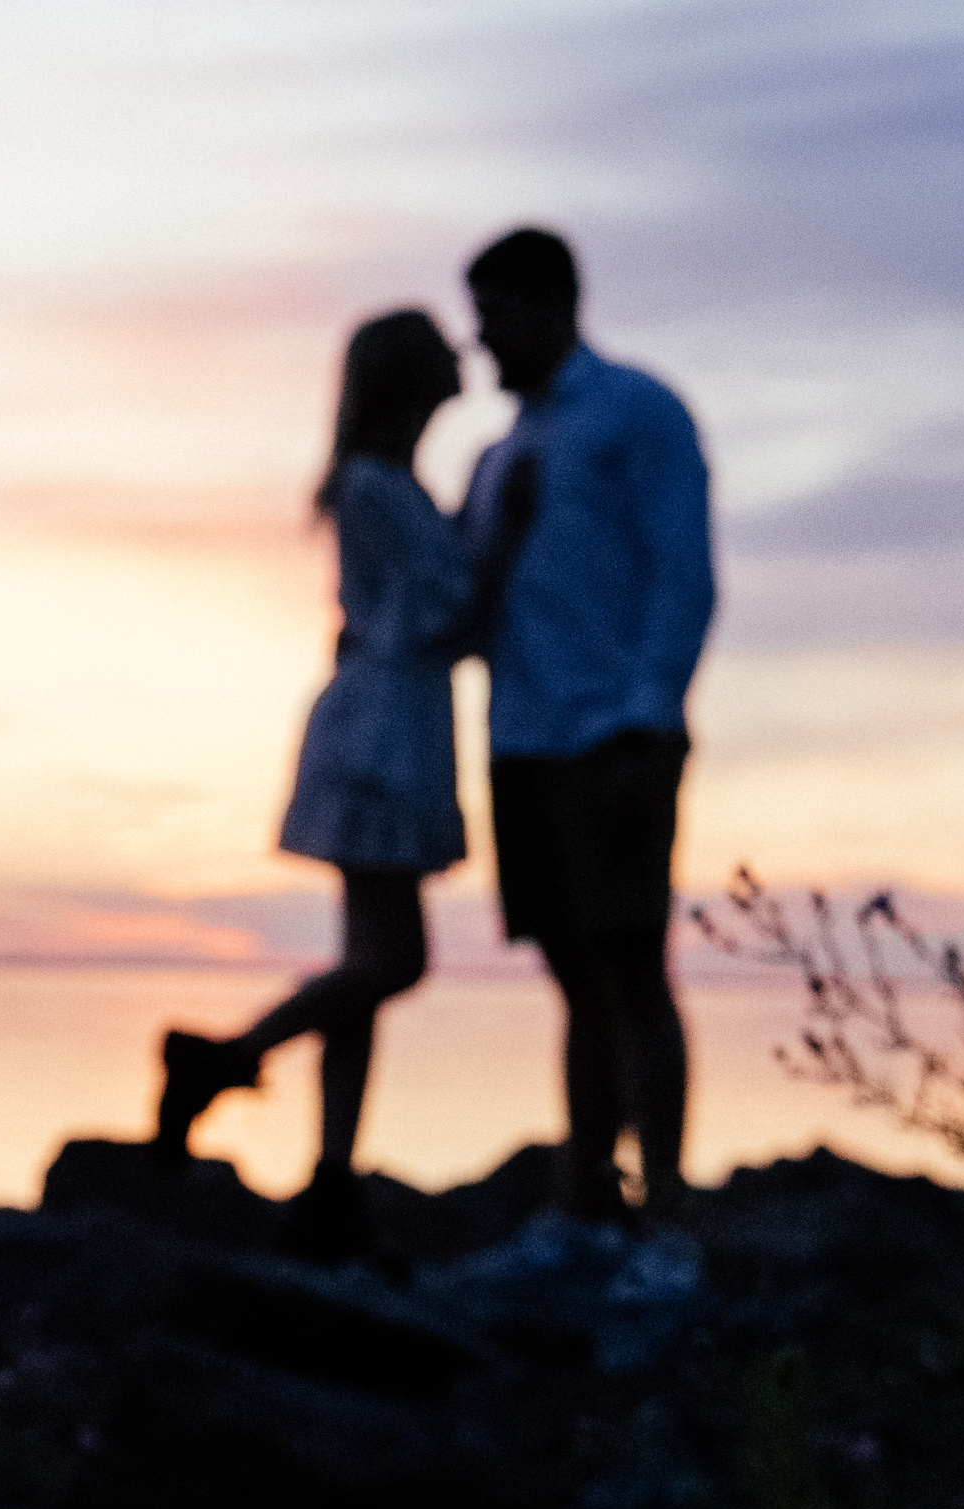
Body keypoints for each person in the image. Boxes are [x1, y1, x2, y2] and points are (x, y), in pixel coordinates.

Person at [149, 309, 531, 1256]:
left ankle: (330, 1175)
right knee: (392, 960)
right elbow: (452, 606)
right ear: (410, 377)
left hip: (392, 722)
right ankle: (224, 1058)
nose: (461, 356)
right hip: (382, 732)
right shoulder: (374, 488)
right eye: (442, 350)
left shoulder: (390, 487)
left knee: (368, 964)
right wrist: (509, 534)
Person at [458, 228, 716, 1223]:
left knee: (632, 968)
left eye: (494, 316)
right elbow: (468, 613)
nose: (483, 341)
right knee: (573, 978)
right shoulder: (496, 458)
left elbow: (681, 574)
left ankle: (665, 1216)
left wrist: (649, 721)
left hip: (611, 736)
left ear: (550, 303)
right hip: (520, 738)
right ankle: (581, 1211)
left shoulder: (635, 414)